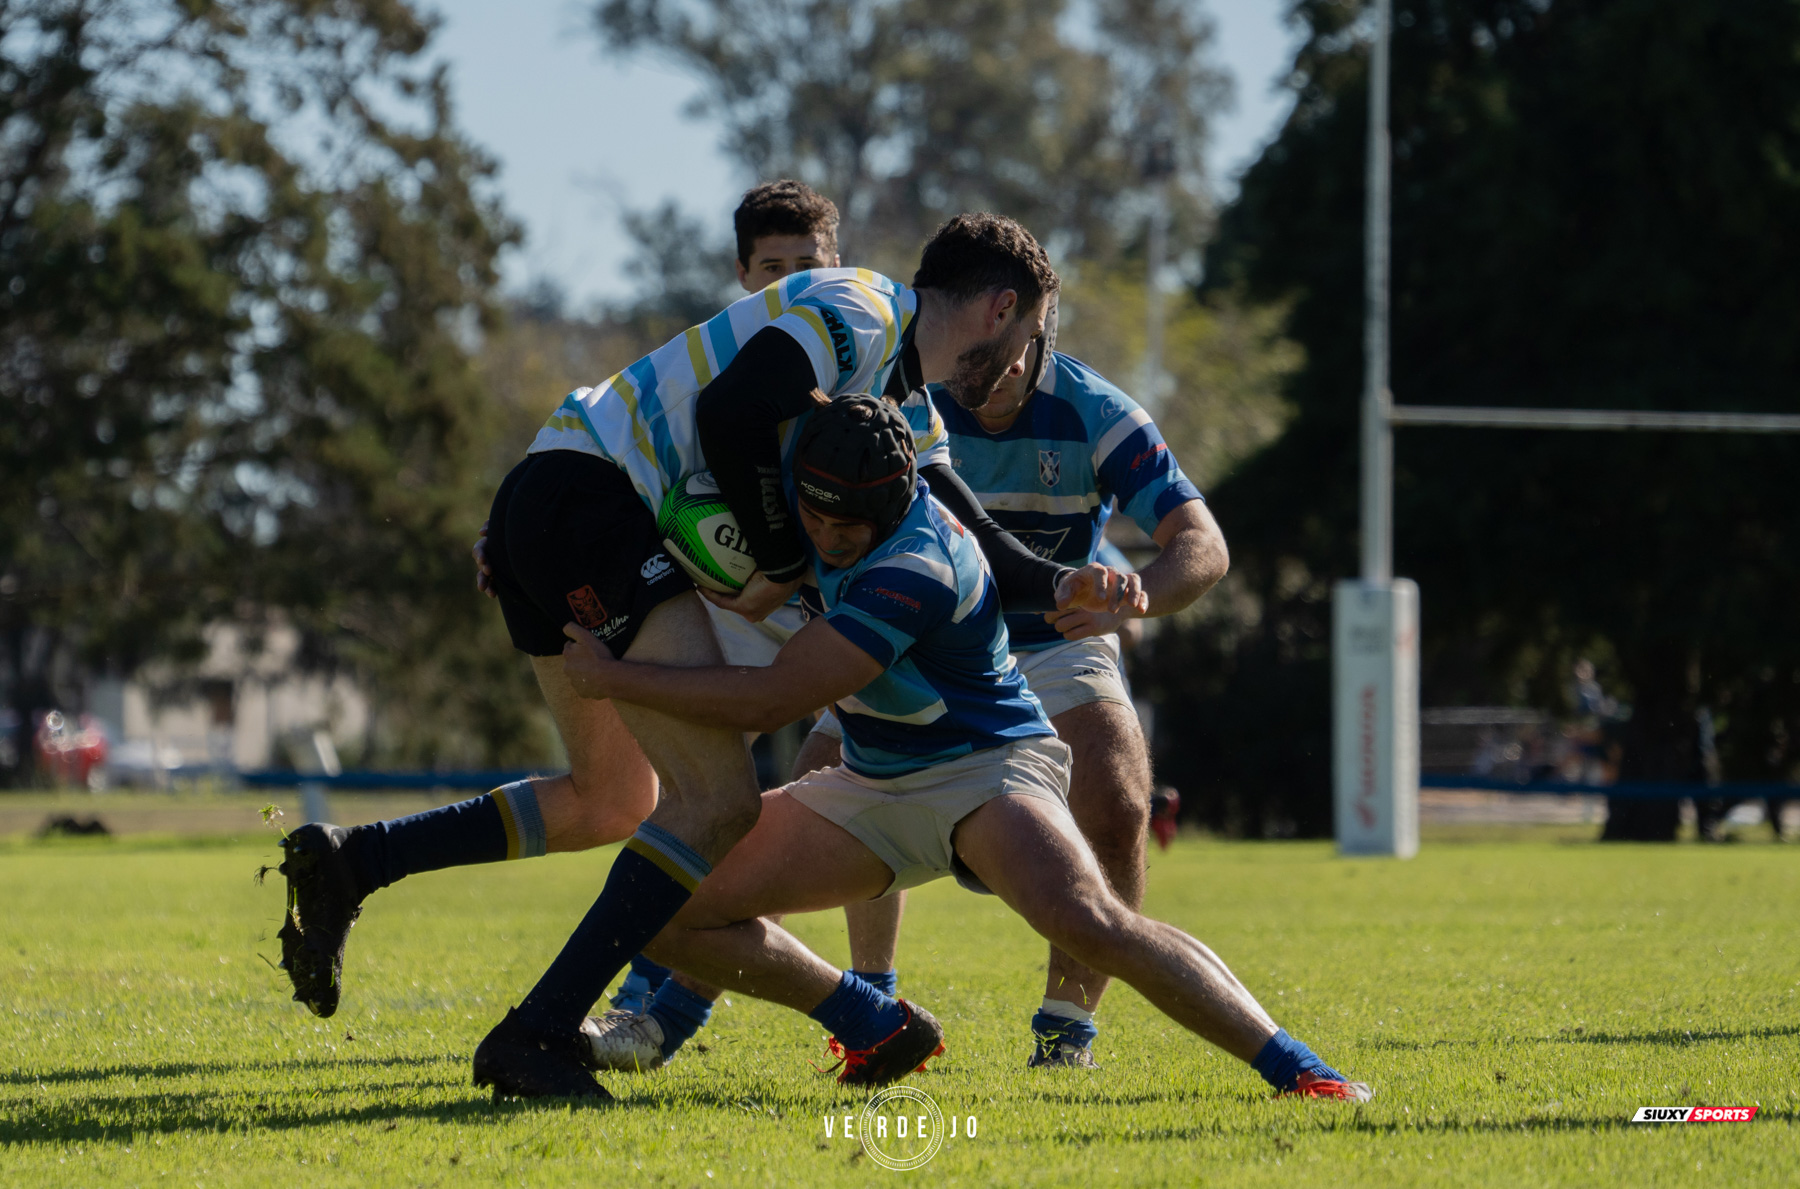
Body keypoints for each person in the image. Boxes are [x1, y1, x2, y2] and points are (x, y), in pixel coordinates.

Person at [276, 211, 1133, 1100]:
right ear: (1001, 309)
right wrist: (780, 564)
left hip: (562, 498)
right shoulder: (867, 307)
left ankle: (355, 860)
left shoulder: (907, 407)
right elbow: (733, 410)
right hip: (592, 505)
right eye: (1034, 333)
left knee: (613, 798)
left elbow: (968, 531)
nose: (1027, 359)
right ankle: (539, 1031)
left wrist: (1066, 583)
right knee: (718, 801)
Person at [568, 396, 1372, 1101]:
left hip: (985, 770)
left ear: (893, 505)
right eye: (815, 519)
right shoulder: (810, 493)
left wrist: (615, 677)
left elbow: (774, 697)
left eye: (848, 528)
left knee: (1091, 922)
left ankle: (1301, 1068)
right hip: (872, 782)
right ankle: (868, 1018)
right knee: (660, 903)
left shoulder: (916, 564)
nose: (828, 539)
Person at [589, 300, 1230, 1072]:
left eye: (1018, 348)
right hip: (896, 634)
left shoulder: (1099, 413)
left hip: (1051, 631)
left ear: (1035, 327)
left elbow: (1203, 543)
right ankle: (716, 1012)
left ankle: (1066, 1032)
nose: (999, 367)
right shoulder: (908, 397)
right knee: (803, 797)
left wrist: (1137, 596)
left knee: (1119, 793)